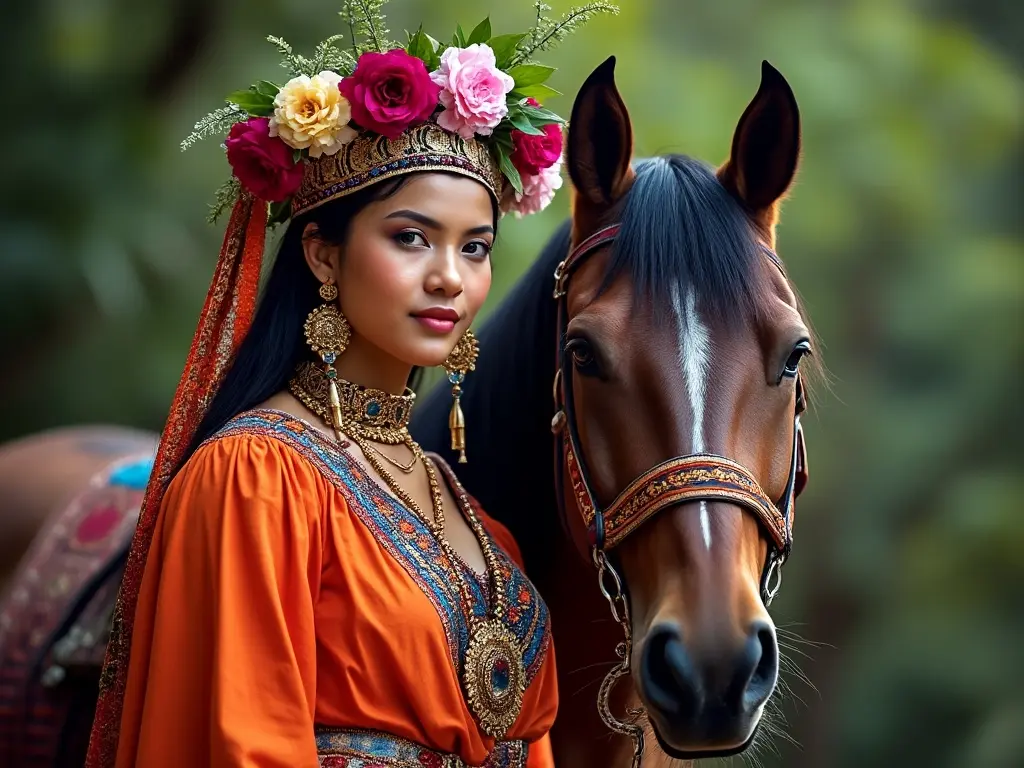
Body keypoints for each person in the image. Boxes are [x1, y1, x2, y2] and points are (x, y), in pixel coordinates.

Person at [83, 2, 605, 765]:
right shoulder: (256, 479)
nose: (448, 278)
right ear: (324, 256)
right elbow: (244, 744)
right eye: (412, 238)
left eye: (476, 248)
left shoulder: (470, 517)